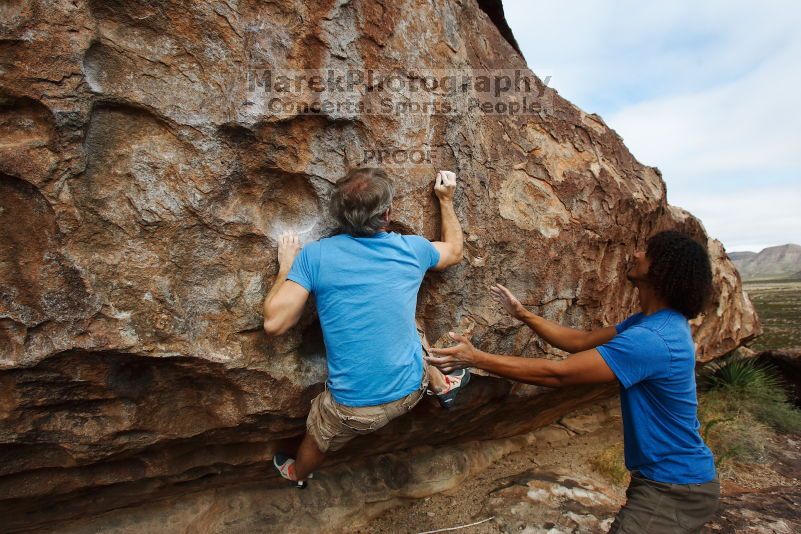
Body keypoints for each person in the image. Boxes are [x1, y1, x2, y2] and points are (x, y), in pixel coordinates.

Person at [426, 230, 720, 533]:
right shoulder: (654, 323)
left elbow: (560, 374)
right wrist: (524, 314)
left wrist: (476, 358)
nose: (636, 254)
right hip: (672, 480)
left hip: (673, 486)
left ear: (662, 270)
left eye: (647, 252)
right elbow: (582, 341)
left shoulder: (652, 339)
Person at [263, 168, 470, 488]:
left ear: (339, 216)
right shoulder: (412, 249)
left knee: (318, 436)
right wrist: (446, 200)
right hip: (412, 389)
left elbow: (274, 324)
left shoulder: (316, 256)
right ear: (387, 215)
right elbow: (454, 251)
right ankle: (440, 383)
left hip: (353, 410)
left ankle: (298, 474)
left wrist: (287, 268)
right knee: (408, 321)